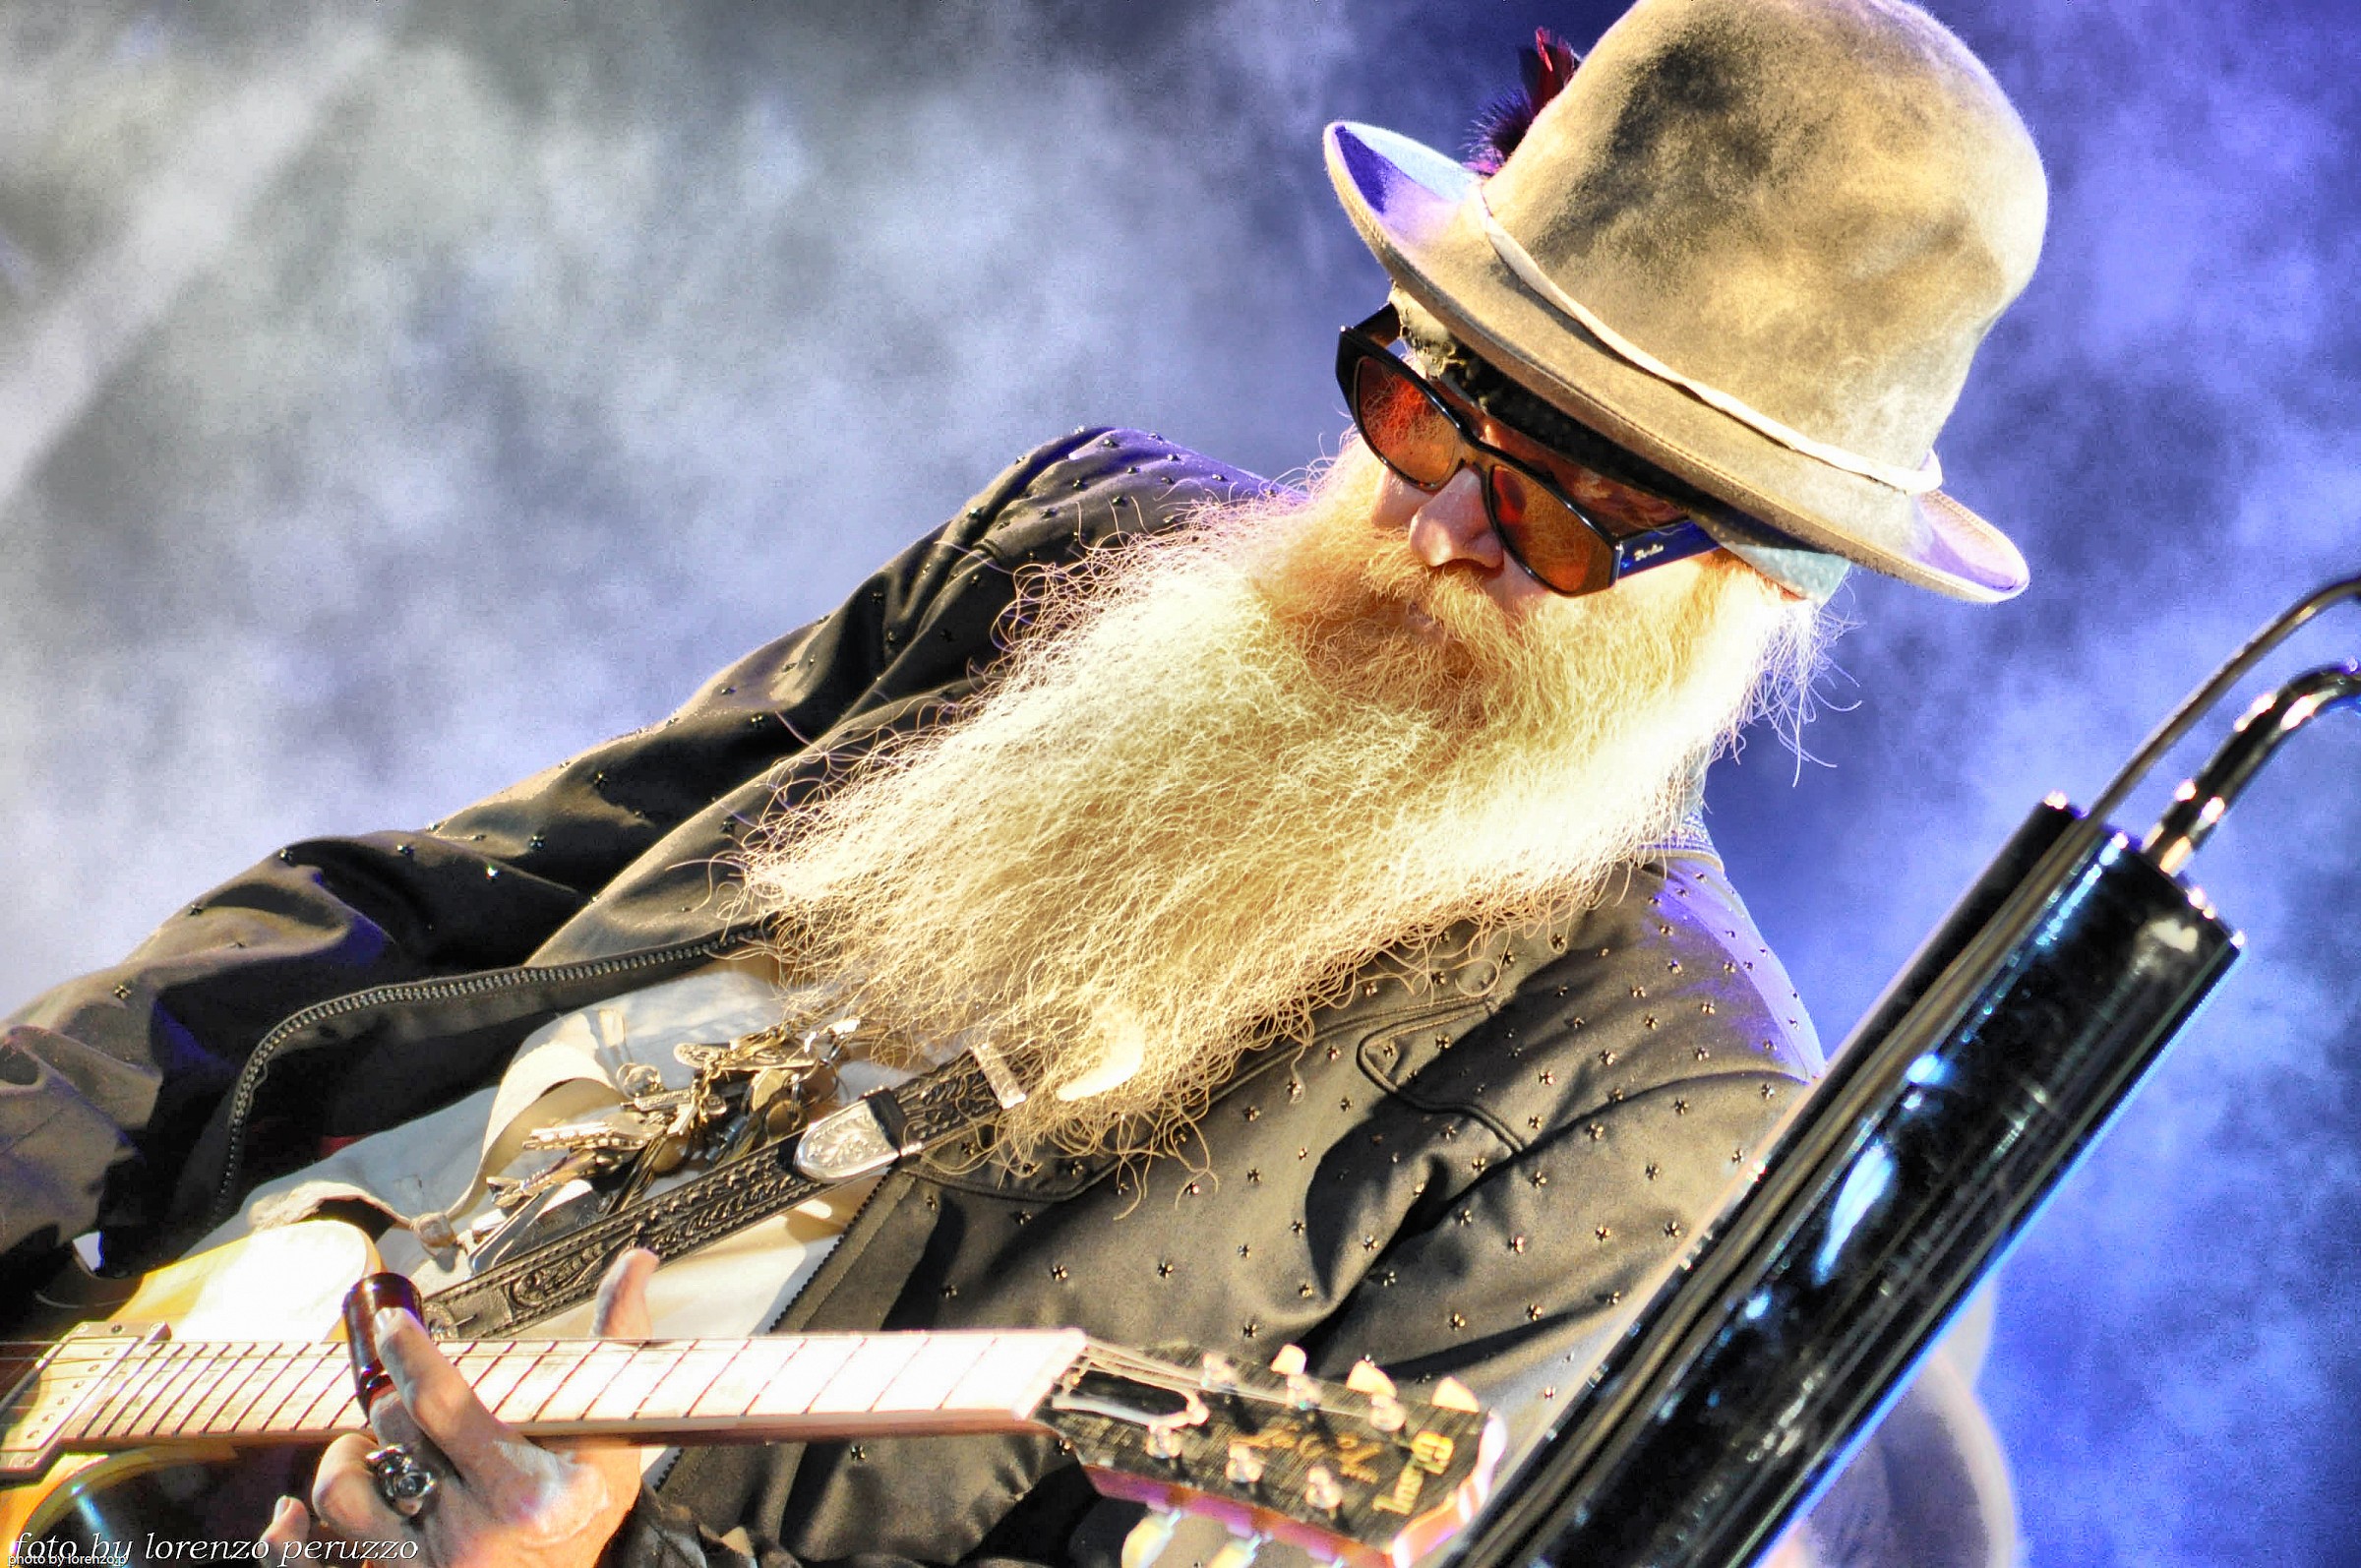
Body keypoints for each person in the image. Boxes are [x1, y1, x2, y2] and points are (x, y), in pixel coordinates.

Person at [0, 1, 2043, 1565]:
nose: (1440, 529)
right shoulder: (1086, 535)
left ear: (1760, 589)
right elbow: (430, 902)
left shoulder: (1669, 1111)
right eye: (1428, 407)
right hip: (145, 1327)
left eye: (1572, 521)